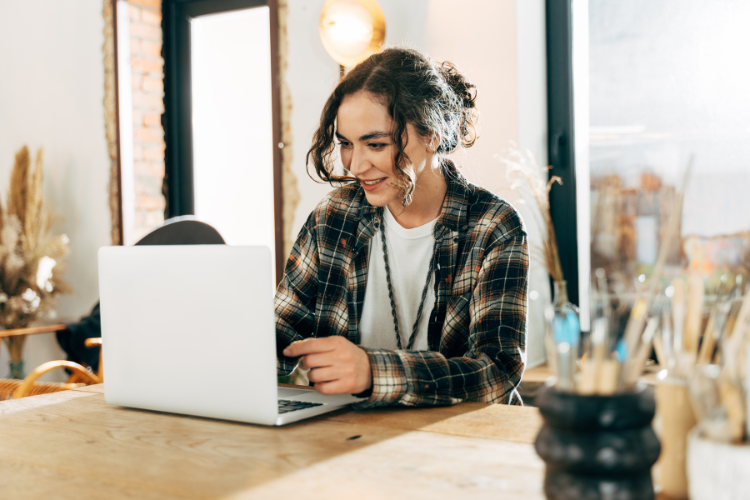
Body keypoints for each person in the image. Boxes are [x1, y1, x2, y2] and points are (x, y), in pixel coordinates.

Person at [276, 47, 529, 408]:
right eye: (346, 144)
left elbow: (497, 373)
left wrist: (374, 372)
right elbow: (282, 332)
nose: (355, 165)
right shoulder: (332, 217)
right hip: (348, 437)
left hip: (459, 445)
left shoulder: (493, 226)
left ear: (431, 135)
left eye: (376, 144)